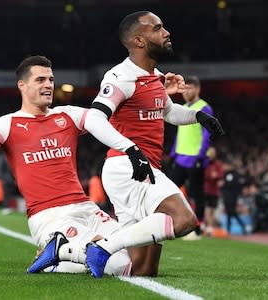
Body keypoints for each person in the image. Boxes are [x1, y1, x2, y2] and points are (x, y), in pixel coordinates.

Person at [0, 55, 137, 277]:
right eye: (40, 80)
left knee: (135, 257)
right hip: (50, 216)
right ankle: (57, 258)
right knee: (118, 265)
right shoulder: (8, 124)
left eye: (51, 80)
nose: (48, 85)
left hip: (86, 208)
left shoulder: (68, 115)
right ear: (22, 85)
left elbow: (104, 117)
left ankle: (59, 255)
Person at [83, 11, 225, 277]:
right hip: (129, 167)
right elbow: (94, 119)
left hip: (138, 167)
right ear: (138, 40)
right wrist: (131, 149)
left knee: (143, 270)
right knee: (185, 220)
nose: (166, 32)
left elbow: (169, 112)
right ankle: (102, 247)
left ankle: (66, 258)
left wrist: (198, 116)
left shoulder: (154, 76)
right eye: (157, 28)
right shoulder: (121, 77)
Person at [169, 75, 215, 238]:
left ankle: (198, 228)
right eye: (183, 90)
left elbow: (207, 134)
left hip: (195, 158)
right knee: (170, 190)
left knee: (197, 193)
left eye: (188, 89)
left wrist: (201, 155)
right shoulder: (182, 107)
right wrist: (173, 152)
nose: (185, 93)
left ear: (197, 89)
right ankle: (175, 222)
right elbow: (180, 132)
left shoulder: (204, 108)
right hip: (181, 158)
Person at [203, 146, 224, 236]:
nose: (212, 154)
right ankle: (207, 228)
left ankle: (209, 228)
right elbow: (205, 175)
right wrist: (213, 176)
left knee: (212, 210)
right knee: (207, 210)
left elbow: (220, 175)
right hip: (206, 190)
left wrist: (216, 176)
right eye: (210, 153)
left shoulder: (218, 164)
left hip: (214, 191)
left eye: (213, 153)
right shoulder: (205, 163)